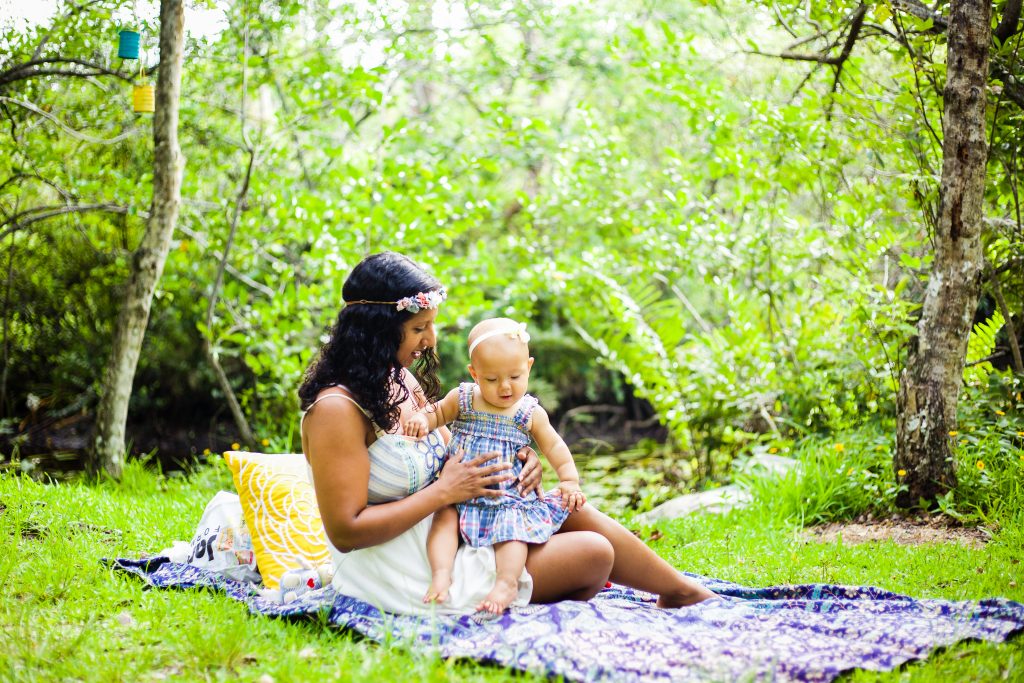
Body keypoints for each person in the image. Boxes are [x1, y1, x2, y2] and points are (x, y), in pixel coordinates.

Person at [299, 252, 714, 616]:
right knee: (594, 553)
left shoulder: (397, 380)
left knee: (569, 508)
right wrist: (444, 494)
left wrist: (521, 455)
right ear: (376, 331)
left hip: (460, 520)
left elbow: (453, 448)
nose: (430, 340)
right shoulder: (336, 411)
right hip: (406, 565)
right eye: (418, 328)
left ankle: (680, 590)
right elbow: (346, 532)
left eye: (431, 326)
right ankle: (515, 586)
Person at [402, 317, 586, 613]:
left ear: (528, 367)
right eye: (491, 379)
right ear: (474, 373)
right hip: (457, 494)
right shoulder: (462, 399)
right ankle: (441, 575)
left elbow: (554, 446)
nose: (504, 387)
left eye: (514, 377)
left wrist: (569, 480)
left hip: (505, 499)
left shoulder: (529, 412)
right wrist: (421, 419)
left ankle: (507, 582)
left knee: (512, 535)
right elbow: (435, 414)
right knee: (443, 520)